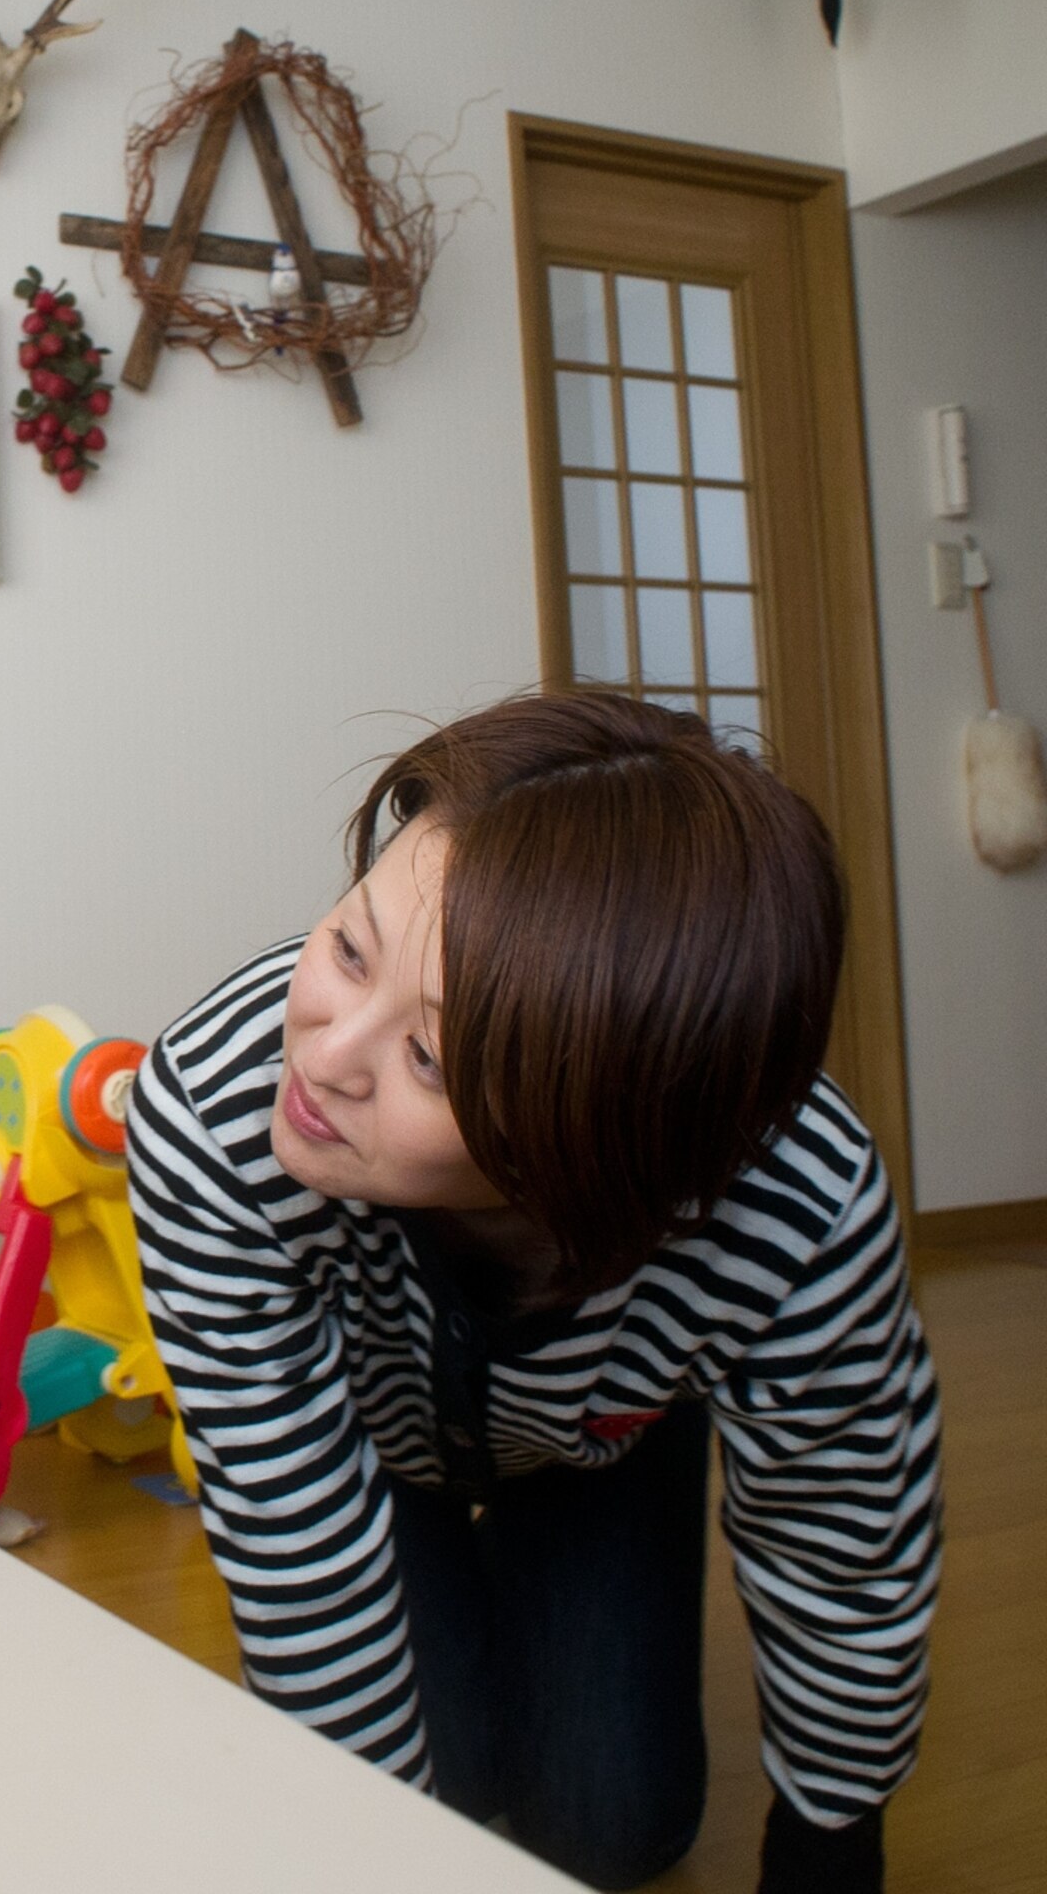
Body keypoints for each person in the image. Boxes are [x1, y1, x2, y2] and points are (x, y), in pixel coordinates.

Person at [128, 694, 938, 1894]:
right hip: (362, 1446)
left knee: (612, 1833)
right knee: (416, 1801)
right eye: (351, 948)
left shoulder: (798, 1203)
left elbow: (845, 1530)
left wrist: (831, 1830)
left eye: (431, 1059)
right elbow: (290, 1529)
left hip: (598, 1443)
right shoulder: (214, 1110)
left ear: (607, 1135)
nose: (328, 1055)